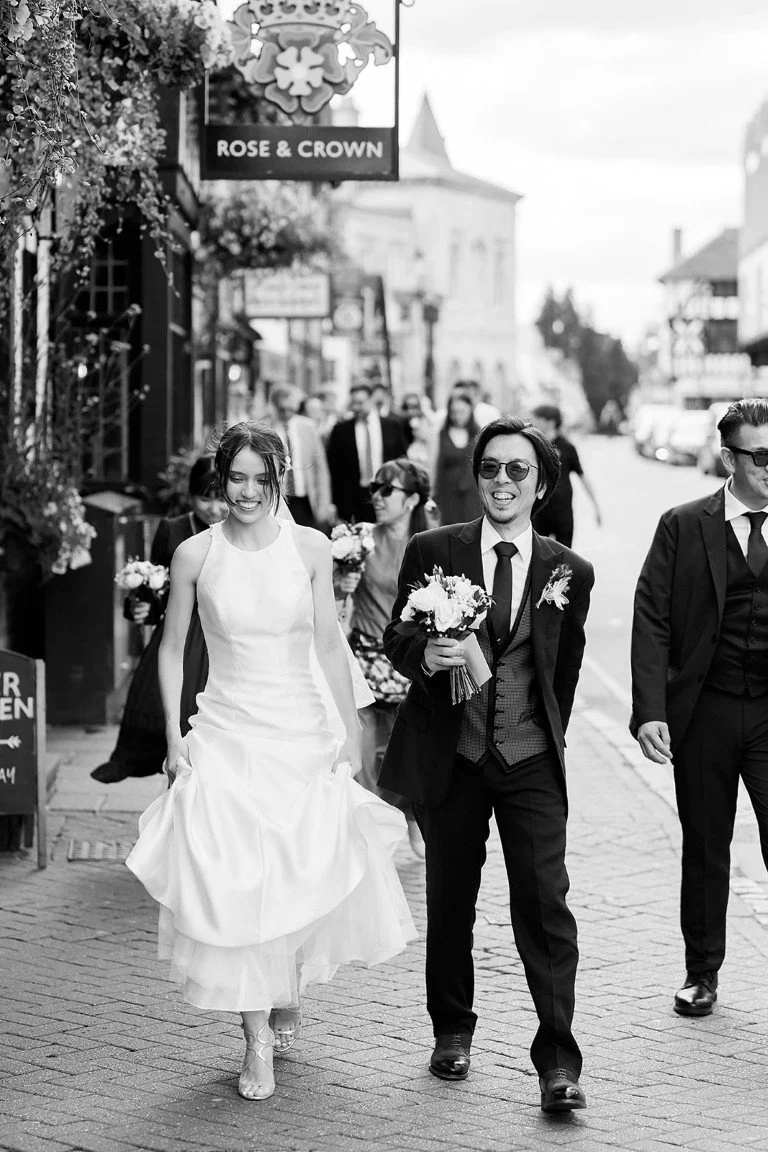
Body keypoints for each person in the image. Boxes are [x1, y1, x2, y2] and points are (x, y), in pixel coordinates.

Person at [126, 421, 415, 1103]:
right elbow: (171, 651)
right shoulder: (197, 555)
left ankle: (285, 980)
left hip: (298, 728)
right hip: (226, 731)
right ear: (220, 480)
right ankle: (255, 1037)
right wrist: (172, 738)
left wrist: (349, 733)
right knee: (236, 878)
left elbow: (325, 644)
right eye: (236, 478)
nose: (248, 491)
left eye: (261, 478)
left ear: (278, 480)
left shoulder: (310, 548)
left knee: (296, 867)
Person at [381, 416, 594, 1112]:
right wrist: (424, 657)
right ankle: (451, 1030)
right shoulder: (433, 549)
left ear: (541, 485)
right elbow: (397, 633)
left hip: (529, 758)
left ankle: (558, 1063)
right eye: (491, 469)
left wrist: (533, 724)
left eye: (518, 471)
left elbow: (562, 670)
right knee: (451, 902)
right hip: (455, 753)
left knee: (544, 905)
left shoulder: (570, 570)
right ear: (476, 477)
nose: (503, 481)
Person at [631, 397, 768, 1019]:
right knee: (707, 845)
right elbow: (652, 618)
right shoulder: (684, 525)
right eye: (760, 456)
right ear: (729, 457)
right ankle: (702, 973)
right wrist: (650, 709)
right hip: (706, 709)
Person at [91, 457, 228, 784]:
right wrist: (140, 608)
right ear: (190, 496)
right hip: (181, 631)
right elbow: (156, 590)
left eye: (220, 497)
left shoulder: (238, 531)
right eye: (204, 498)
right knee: (174, 712)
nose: (212, 508)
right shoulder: (174, 529)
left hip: (220, 635)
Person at [335, 458, 433, 860]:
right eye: (374, 488)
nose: (376, 497)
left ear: (411, 499)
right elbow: (332, 599)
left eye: (387, 490)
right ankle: (371, 836)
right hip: (363, 658)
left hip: (409, 662)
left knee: (406, 752)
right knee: (363, 750)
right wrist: (342, 584)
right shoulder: (358, 541)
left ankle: (408, 815)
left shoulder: (429, 544)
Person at [326, 382, 409, 523]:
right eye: (353, 403)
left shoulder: (392, 426)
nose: (356, 407)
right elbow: (334, 469)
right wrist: (335, 503)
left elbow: (402, 460)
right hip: (353, 499)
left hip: (385, 493)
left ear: (371, 400)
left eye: (360, 402)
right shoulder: (341, 430)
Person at [530, 405, 601, 547]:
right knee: (537, 558)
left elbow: (582, 476)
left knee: (564, 561)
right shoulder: (533, 445)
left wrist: (596, 506)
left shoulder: (567, 448)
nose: (533, 422)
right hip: (538, 512)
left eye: (537, 419)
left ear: (550, 422)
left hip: (562, 513)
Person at [269, 384, 332, 529]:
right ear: (274, 407)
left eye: (290, 409)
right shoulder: (265, 428)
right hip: (278, 501)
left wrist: (324, 504)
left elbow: (320, 469)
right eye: (281, 409)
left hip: (306, 500)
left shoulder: (308, 427)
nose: (286, 413)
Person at [431, 390, 484, 526]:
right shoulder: (441, 435)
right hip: (446, 491)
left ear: (470, 411)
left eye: (462, 412)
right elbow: (435, 464)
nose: (457, 416)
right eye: (453, 412)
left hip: (472, 492)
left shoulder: (479, 434)